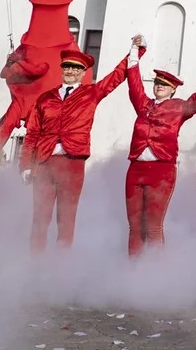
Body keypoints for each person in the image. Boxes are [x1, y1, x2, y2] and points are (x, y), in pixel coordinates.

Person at [20, 39, 135, 252]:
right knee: (40, 218)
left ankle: (61, 265)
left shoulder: (91, 93)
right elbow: (32, 133)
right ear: (62, 69)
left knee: (66, 219)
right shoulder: (45, 98)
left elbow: (115, 77)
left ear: (83, 73)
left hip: (72, 164)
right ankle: (35, 263)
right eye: (67, 67)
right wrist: (26, 164)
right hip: (44, 163)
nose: (71, 71)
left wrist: (135, 52)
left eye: (76, 68)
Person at [123, 50, 196, 257]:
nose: (159, 86)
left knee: (153, 225)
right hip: (136, 169)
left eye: (165, 84)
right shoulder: (143, 105)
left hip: (161, 171)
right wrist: (134, 54)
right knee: (134, 226)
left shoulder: (179, 107)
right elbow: (134, 85)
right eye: (157, 82)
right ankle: (132, 268)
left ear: (173, 89)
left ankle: (156, 270)